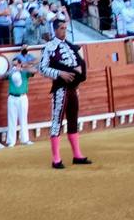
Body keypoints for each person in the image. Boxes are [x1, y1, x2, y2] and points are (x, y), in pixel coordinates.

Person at [40, 19, 92, 169]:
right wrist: (59, 73)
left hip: (73, 88)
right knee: (57, 121)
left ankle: (77, 155)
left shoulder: (71, 46)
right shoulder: (49, 47)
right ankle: (56, 159)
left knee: (73, 120)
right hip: (60, 89)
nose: (64, 31)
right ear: (55, 30)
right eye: (62, 28)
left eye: (65, 28)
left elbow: (80, 63)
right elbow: (42, 68)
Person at [5, 47, 38, 146]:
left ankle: (25, 139)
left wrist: (23, 67)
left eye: (16, 64)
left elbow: (34, 71)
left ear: (20, 64)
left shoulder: (24, 72)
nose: (14, 66)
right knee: (12, 119)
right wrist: (12, 71)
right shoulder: (11, 73)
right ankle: (11, 141)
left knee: (23, 118)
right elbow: (2, 76)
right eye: (13, 65)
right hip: (12, 97)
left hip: (23, 97)